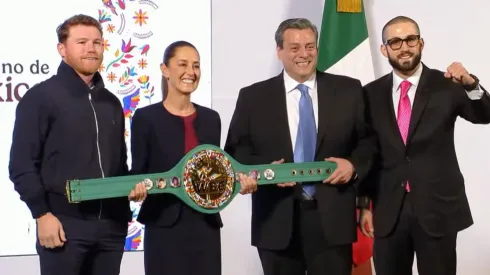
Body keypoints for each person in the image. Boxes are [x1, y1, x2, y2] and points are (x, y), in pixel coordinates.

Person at [224, 18, 377, 275]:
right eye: (294, 48)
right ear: (279, 51)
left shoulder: (349, 90)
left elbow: (369, 143)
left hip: (333, 222)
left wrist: (352, 165)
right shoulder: (253, 97)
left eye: (309, 46)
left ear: (317, 49)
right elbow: (235, 151)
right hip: (275, 222)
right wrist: (262, 172)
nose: (303, 54)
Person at [8, 14, 146, 275]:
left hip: (111, 229)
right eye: (81, 42)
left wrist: (132, 187)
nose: (91, 48)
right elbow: (21, 165)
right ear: (62, 49)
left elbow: (118, 166)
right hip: (63, 225)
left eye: (97, 42)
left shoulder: (112, 103)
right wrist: (42, 215)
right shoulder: (40, 97)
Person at [357, 15, 490, 275]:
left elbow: (485, 115)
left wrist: (471, 83)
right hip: (388, 212)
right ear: (384, 49)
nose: (404, 47)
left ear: (421, 43)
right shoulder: (369, 94)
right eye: (395, 42)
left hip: (437, 209)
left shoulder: (447, 84)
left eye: (410, 39)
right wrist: (364, 204)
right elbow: (366, 152)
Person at [130, 40, 257, 275]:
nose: (191, 72)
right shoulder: (145, 118)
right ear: (165, 70)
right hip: (163, 225)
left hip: (204, 226)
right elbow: (138, 171)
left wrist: (241, 183)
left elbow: (216, 174)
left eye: (196, 66)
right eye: (183, 64)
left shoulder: (211, 119)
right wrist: (136, 189)